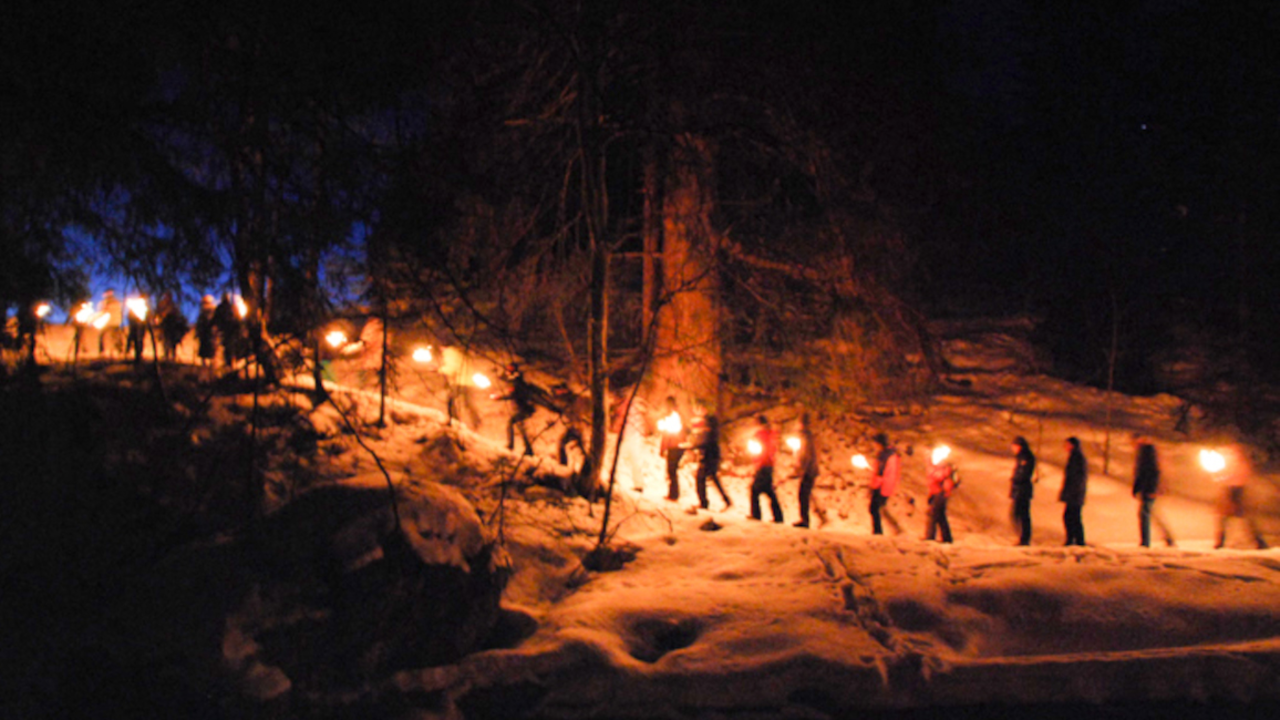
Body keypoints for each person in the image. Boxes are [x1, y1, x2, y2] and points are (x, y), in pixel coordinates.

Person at [1212, 444, 1269, 550]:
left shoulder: (1241, 464)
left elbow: (1239, 476)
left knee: (1235, 517)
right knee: (1228, 517)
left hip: (1237, 490)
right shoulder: (1234, 464)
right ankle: (1221, 541)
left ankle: (1259, 542)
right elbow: (1226, 475)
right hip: (1232, 489)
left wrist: (1224, 479)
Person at [1132, 434, 1175, 548]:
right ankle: (1166, 538)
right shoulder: (1145, 453)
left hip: (1149, 489)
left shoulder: (1146, 453)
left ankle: (1146, 541)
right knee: (1149, 513)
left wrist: (1149, 489)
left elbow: (1149, 473)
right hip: (1147, 489)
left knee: (1145, 514)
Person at [689, 411, 731, 511]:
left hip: (708, 459)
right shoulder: (713, 432)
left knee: (700, 479)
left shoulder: (710, 433)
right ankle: (726, 500)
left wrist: (694, 446)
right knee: (714, 479)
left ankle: (704, 502)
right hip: (713, 459)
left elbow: (706, 445)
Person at [793, 412, 826, 528]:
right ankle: (807, 518)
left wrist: (802, 468)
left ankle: (805, 520)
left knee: (803, 495)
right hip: (811, 469)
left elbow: (806, 455)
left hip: (809, 470)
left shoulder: (805, 436)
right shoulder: (809, 436)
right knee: (805, 494)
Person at [749, 415, 784, 523]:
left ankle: (756, 515)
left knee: (755, 490)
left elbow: (758, 450)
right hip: (769, 465)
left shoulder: (760, 435)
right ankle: (778, 516)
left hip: (763, 465)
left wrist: (757, 462)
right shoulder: (771, 434)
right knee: (768, 491)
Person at [439, 346, 484, 429]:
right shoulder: (459, 351)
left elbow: (452, 369)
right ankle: (477, 421)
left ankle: (454, 422)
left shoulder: (449, 353)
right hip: (469, 381)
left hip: (459, 382)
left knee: (451, 402)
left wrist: (439, 369)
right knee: (469, 403)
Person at [498, 363, 536, 456]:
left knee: (511, 423)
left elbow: (513, 395)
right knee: (521, 428)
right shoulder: (514, 380)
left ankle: (511, 445)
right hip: (520, 408)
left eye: (509, 369)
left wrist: (500, 397)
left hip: (523, 408)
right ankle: (529, 450)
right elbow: (504, 378)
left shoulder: (517, 382)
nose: (507, 371)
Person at [658, 395, 688, 501]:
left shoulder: (675, 416)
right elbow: (665, 434)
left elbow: (671, 433)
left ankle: (674, 494)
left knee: (672, 470)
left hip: (676, 446)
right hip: (673, 446)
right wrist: (662, 449)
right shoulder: (669, 416)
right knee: (671, 470)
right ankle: (673, 493)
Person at [924, 446, 957, 543]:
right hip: (937, 493)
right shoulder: (937, 466)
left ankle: (930, 536)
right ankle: (947, 538)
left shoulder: (943, 467)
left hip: (940, 493)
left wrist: (933, 469)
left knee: (932, 514)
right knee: (940, 516)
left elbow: (938, 476)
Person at [1059, 437, 1087, 547]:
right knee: (1072, 516)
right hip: (1074, 493)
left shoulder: (1077, 458)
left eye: (1067, 444)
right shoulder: (1074, 457)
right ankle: (1074, 539)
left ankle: (1075, 540)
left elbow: (1076, 478)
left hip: (1075, 493)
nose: (1065, 447)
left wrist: (1073, 492)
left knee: (1071, 516)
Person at [1009, 436, 1036, 546]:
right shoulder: (1021, 457)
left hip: (1022, 489)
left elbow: (1024, 473)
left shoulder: (1025, 457)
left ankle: (1024, 538)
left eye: (1014, 446)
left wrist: (1016, 479)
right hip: (1020, 489)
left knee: (1021, 514)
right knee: (1018, 513)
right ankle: (1022, 537)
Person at [213, 293, 243, 373]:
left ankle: (229, 364)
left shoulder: (221, 308)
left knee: (227, 346)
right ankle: (231, 363)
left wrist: (215, 326)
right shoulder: (232, 307)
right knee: (231, 346)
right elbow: (238, 319)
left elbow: (215, 319)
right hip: (232, 330)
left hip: (225, 330)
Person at [157, 292, 188, 362]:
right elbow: (159, 313)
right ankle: (166, 354)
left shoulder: (173, 306)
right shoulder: (162, 304)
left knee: (172, 342)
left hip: (172, 326)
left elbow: (176, 315)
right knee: (165, 341)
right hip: (165, 326)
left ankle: (173, 355)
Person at [195, 295, 218, 372]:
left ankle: (205, 363)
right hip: (210, 333)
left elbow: (200, 323)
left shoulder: (203, 311)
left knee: (205, 348)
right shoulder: (213, 310)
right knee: (210, 347)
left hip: (205, 332)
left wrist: (198, 331)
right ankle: (211, 363)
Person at [98, 290, 124, 358]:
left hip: (110, 322)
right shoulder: (117, 302)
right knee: (115, 336)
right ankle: (118, 350)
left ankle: (103, 350)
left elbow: (102, 312)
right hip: (114, 322)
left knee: (105, 336)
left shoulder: (107, 303)